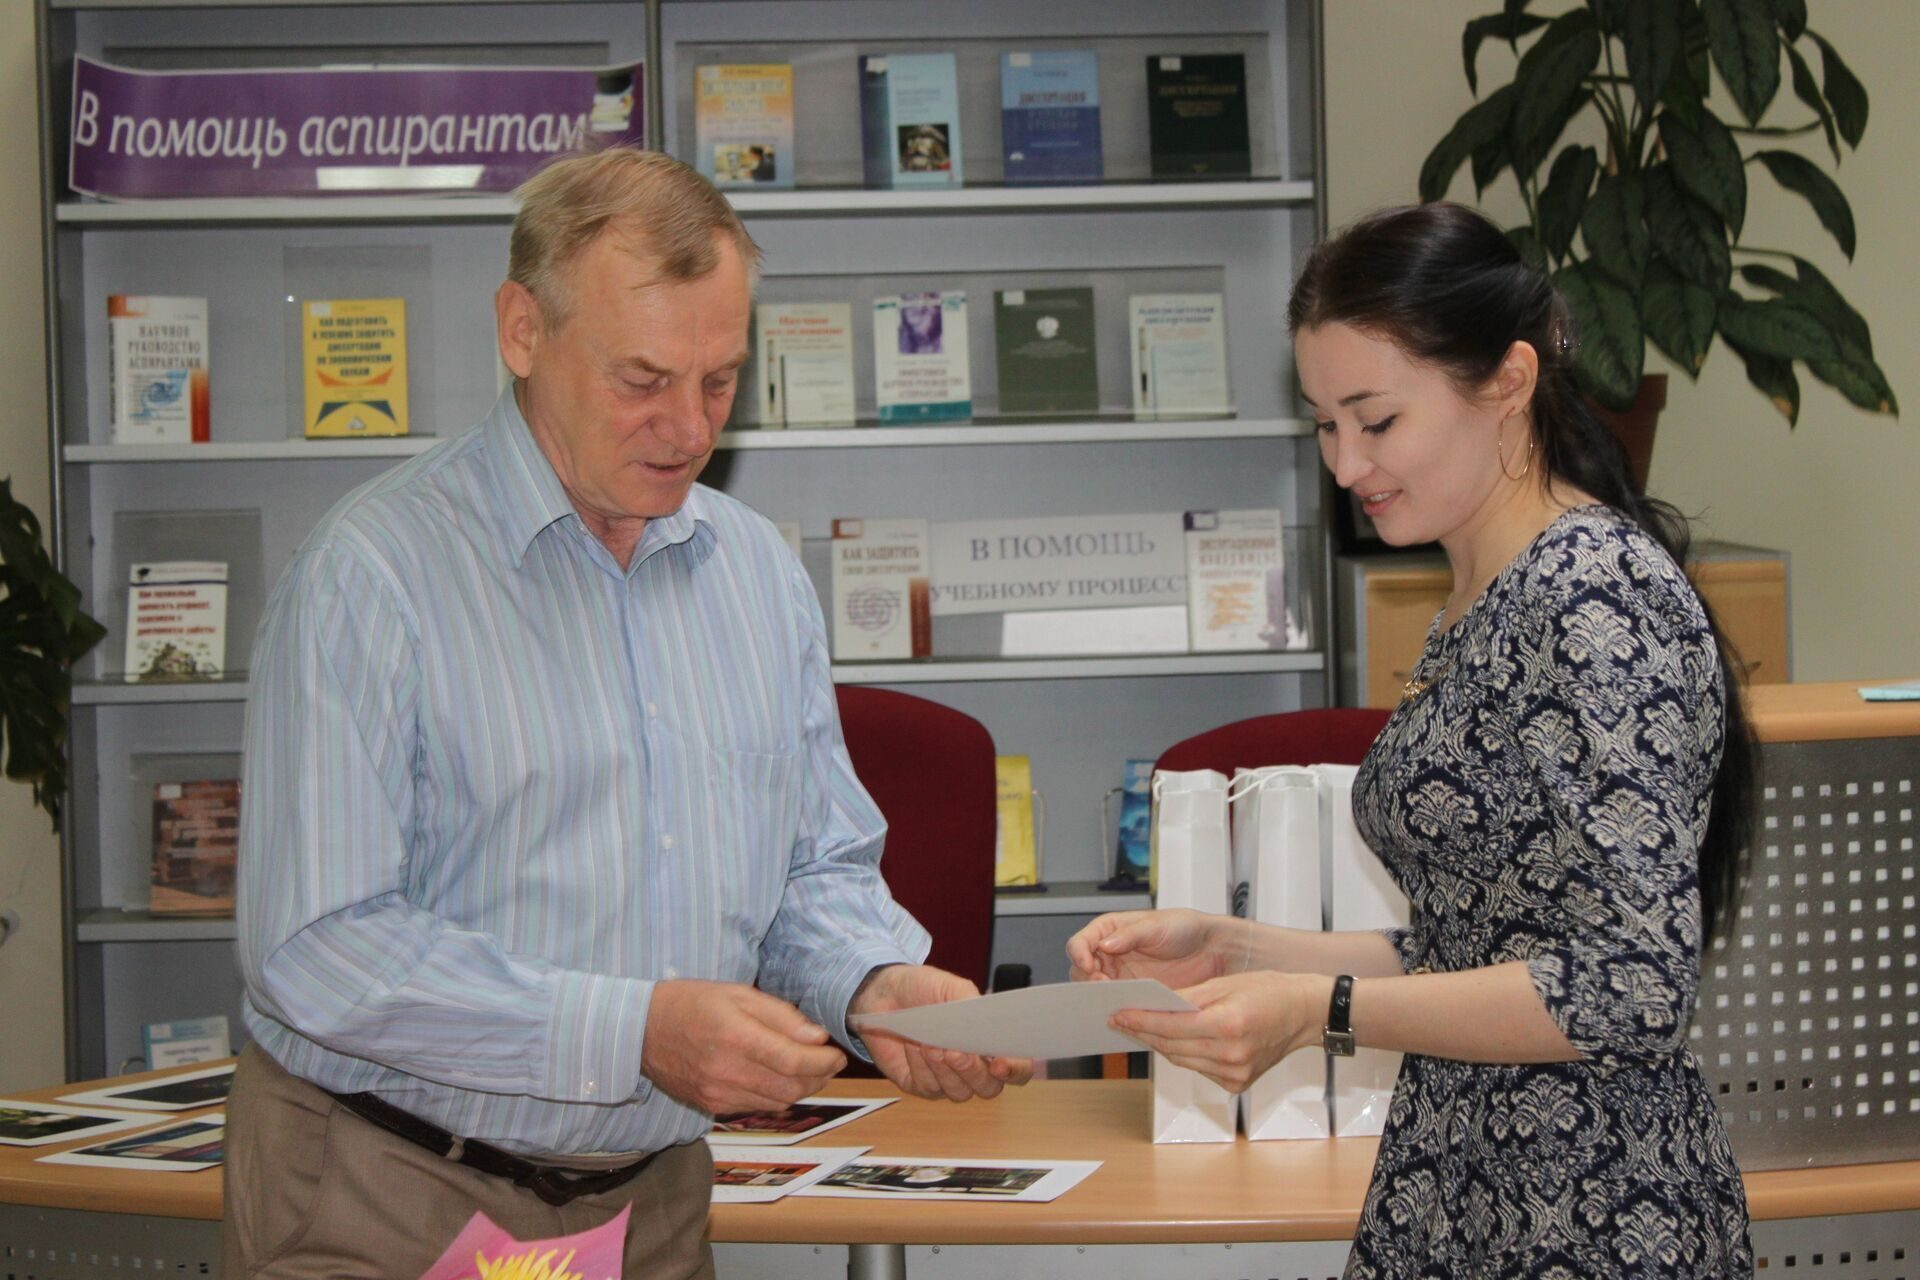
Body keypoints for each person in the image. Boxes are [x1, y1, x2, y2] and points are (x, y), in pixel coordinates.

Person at [226, 146, 1024, 1279]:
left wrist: (874, 983)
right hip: (388, 1189)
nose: (688, 428)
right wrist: (633, 1032)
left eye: (719, 381)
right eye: (642, 379)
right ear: (522, 331)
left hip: (649, 1202)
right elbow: (317, 947)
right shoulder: (371, 576)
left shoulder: (756, 572)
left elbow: (810, 870)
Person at [1071, 203, 1755, 1277]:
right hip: (1463, 1174)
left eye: (1377, 420)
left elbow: (1633, 982)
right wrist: (1238, 948)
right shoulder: (1481, 594)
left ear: (1508, 382)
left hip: (1589, 1205)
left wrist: (1322, 1009)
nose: (1346, 465)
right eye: (1323, 425)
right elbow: (1475, 948)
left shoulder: (1595, 594)